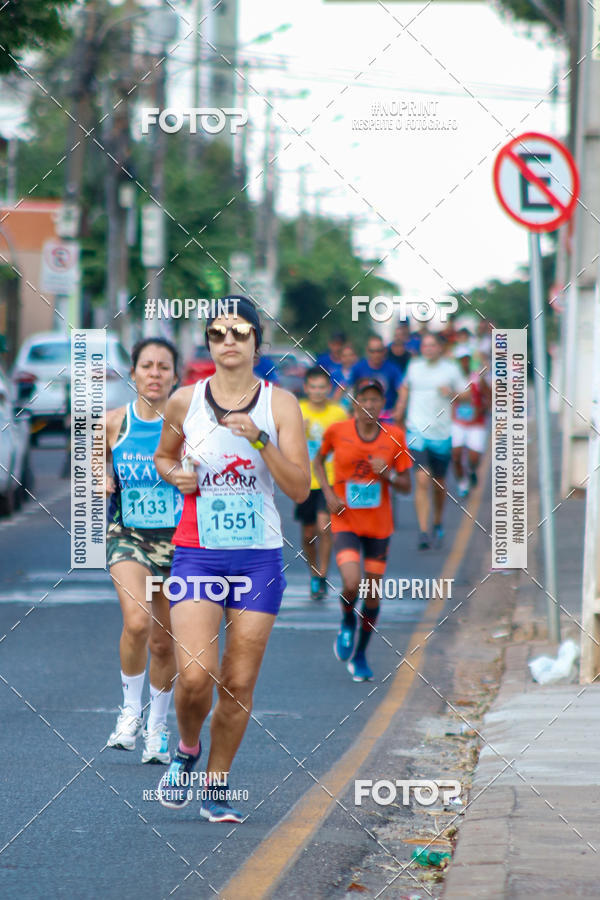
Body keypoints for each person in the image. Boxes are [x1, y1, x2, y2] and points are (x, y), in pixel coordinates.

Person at [153, 296, 310, 823]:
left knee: (238, 683)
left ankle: (216, 786)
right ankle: (187, 750)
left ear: (256, 342)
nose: (229, 341)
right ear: (209, 342)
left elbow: (300, 488)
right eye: (218, 332)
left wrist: (260, 440)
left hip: (258, 560)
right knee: (195, 676)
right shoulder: (185, 401)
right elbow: (164, 456)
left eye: (240, 331)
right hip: (197, 555)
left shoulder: (280, 405)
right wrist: (176, 476)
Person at [105, 338, 183, 764]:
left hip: (178, 542)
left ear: (175, 375)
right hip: (128, 536)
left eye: (163, 367)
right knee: (137, 622)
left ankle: (157, 727)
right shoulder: (114, 423)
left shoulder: (188, 426)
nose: (155, 373)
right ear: (133, 373)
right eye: (147, 366)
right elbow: (90, 462)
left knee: (163, 642)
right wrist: (100, 476)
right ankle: (130, 712)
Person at [313, 379, 412, 682]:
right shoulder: (337, 431)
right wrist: (328, 494)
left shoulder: (395, 436)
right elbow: (318, 461)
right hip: (345, 519)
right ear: (354, 403)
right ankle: (347, 620)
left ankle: (360, 654)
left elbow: (406, 486)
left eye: (375, 400)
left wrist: (388, 475)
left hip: (379, 526)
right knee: (352, 582)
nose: (369, 405)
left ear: (383, 405)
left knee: (371, 594)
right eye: (364, 399)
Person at [395, 331, 470, 550]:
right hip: (416, 430)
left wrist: (452, 393)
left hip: (441, 433)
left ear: (440, 348)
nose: (428, 349)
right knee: (422, 479)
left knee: (439, 483)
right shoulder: (414, 366)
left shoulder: (451, 368)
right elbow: (405, 389)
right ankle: (423, 531)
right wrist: (399, 410)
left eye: (432, 345)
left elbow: (466, 395)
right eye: (425, 345)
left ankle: (437, 521)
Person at [297, 368, 347, 600]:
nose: (317, 392)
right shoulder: (298, 410)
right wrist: (299, 430)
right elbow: (282, 441)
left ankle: (323, 575)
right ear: (306, 388)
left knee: (324, 527)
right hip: (305, 479)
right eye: (313, 387)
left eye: (322, 387)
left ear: (329, 389)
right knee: (308, 534)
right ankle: (313, 572)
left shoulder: (338, 413)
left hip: (330, 478)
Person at [451, 347, 491, 497]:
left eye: (466, 359)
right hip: (458, 422)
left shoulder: (477, 378)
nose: (464, 363)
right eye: (461, 360)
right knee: (456, 455)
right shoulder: (452, 380)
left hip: (476, 423)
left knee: (474, 457)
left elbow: (489, 396)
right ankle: (462, 482)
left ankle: (472, 470)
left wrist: (482, 409)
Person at [351, 334, 403, 421]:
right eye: (372, 351)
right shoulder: (358, 368)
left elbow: (402, 390)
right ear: (367, 351)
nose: (376, 354)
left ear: (384, 351)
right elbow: (352, 391)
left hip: (386, 417)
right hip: (365, 415)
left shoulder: (393, 368)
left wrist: (399, 410)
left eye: (379, 351)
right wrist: (355, 410)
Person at [332, 343, 358, 411]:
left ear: (356, 357)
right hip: (339, 408)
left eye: (351, 355)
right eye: (344, 356)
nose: (348, 358)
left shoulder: (360, 373)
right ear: (340, 358)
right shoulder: (335, 375)